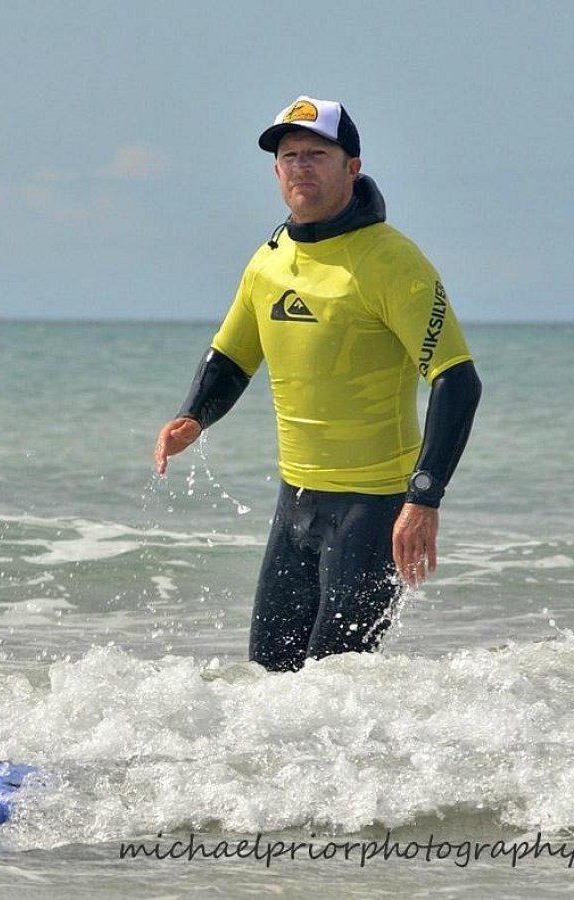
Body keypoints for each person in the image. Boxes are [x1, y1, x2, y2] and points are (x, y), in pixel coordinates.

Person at [153, 96, 481, 672]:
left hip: (376, 507)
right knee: (267, 679)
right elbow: (231, 354)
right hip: (295, 503)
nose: (300, 166)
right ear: (276, 171)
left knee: (337, 686)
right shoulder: (269, 260)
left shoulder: (392, 261)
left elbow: (457, 380)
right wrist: (193, 417)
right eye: (289, 156)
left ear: (351, 167)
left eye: (316, 155)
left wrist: (423, 499)